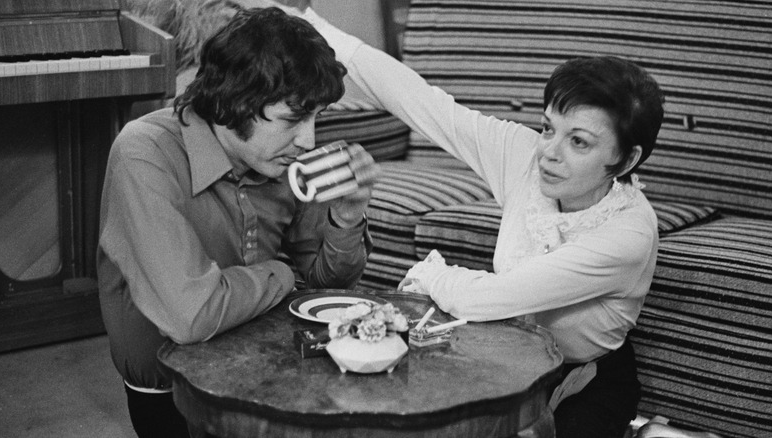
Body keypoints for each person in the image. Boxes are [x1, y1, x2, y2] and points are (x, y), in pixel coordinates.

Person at [272, 3, 664, 437]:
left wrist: (430, 274)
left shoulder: (628, 233)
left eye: (579, 142)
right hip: (510, 357)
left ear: (625, 159)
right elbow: (424, 103)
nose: (549, 151)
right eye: (549, 128)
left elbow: (493, 299)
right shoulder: (526, 156)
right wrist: (308, 22)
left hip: (588, 378)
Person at [96, 7, 379, 438]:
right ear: (238, 102)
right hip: (172, 390)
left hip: (264, 363)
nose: (309, 140)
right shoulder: (143, 152)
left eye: (315, 117)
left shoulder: (283, 159)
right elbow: (192, 316)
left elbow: (325, 290)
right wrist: (280, 275)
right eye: (293, 118)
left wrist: (347, 216)